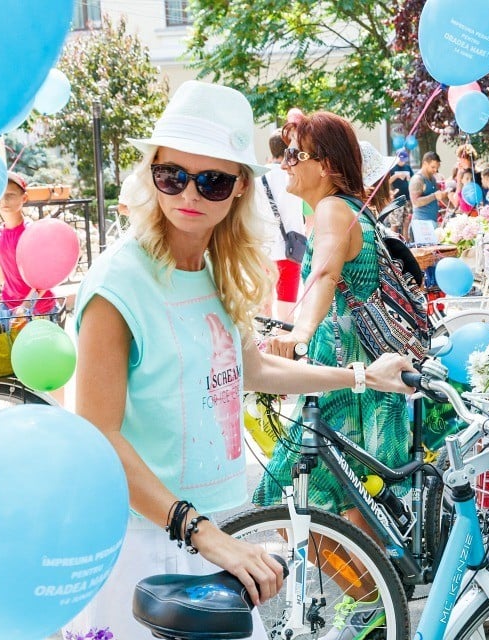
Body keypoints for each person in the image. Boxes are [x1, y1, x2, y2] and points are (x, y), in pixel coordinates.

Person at [62, 82, 415, 640]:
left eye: (213, 180)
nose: (190, 195)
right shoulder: (117, 284)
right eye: (173, 175)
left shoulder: (216, 270)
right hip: (144, 538)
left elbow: (251, 370)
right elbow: (100, 434)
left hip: (217, 529)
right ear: (151, 173)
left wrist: (362, 375)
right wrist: (203, 534)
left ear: (239, 188)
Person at [253, 112, 416, 638]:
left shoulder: (329, 210)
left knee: (281, 502)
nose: (284, 164)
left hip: (350, 387)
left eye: (292, 154)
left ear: (323, 165)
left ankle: (374, 605)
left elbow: (323, 271)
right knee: (351, 510)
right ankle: (375, 604)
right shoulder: (346, 210)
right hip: (359, 382)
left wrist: (297, 336)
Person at [0, 172, 57, 335]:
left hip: (38, 310)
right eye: (0, 196)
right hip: (9, 308)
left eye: (11, 195)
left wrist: (26, 307)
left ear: (24, 198)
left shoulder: (32, 232)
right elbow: (1, 275)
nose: (4, 201)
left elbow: (45, 277)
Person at [257, 127, 308, 321]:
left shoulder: (257, 176)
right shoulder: (295, 175)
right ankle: (283, 347)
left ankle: (266, 344)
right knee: (287, 315)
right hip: (291, 249)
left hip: (263, 249)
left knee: (264, 308)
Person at [409, 151, 446, 232]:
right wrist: (434, 196)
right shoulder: (417, 179)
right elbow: (416, 202)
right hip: (421, 224)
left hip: (432, 222)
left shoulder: (433, 178)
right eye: (433, 167)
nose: (435, 170)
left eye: (437, 167)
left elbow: (438, 197)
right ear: (425, 163)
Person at [389, 149, 414, 237]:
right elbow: (387, 182)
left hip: (407, 198)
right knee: (395, 223)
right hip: (396, 199)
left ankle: (406, 242)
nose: (402, 161)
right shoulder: (392, 168)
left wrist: (409, 179)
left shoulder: (408, 168)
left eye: (403, 159)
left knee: (406, 221)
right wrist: (396, 176)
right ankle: (394, 241)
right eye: (400, 159)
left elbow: (413, 180)